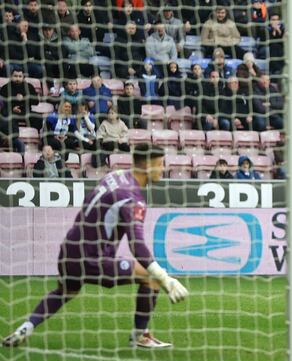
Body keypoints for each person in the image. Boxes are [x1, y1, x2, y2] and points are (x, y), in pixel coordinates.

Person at [3, 144, 189, 348]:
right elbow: (137, 246)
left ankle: (26, 327)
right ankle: (140, 336)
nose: (163, 169)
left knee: (65, 291)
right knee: (152, 279)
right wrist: (165, 278)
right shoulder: (131, 198)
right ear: (146, 164)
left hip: (69, 251)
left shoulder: (116, 176)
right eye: (160, 164)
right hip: (94, 258)